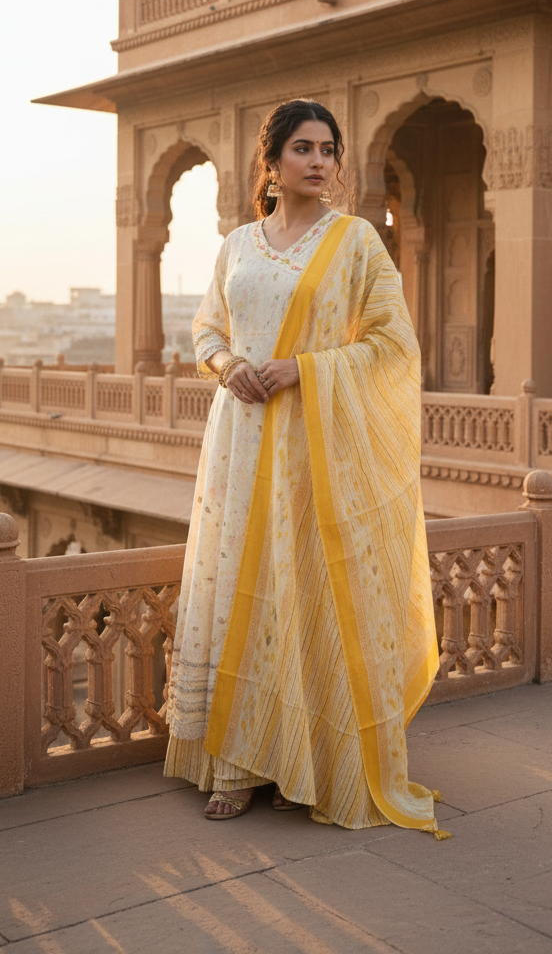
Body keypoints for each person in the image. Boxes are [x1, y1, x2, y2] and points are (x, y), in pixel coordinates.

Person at [163, 98, 448, 836]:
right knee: (238, 588)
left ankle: (301, 759)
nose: (319, 161)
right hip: (240, 439)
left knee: (300, 593)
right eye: (303, 149)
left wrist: (306, 370)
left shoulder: (355, 242)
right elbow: (205, 328)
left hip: (312, 448)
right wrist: (226, 365)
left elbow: (394, 345)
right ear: (273, 161)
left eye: (329, 150)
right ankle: (232, 765)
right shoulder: (237, 245)